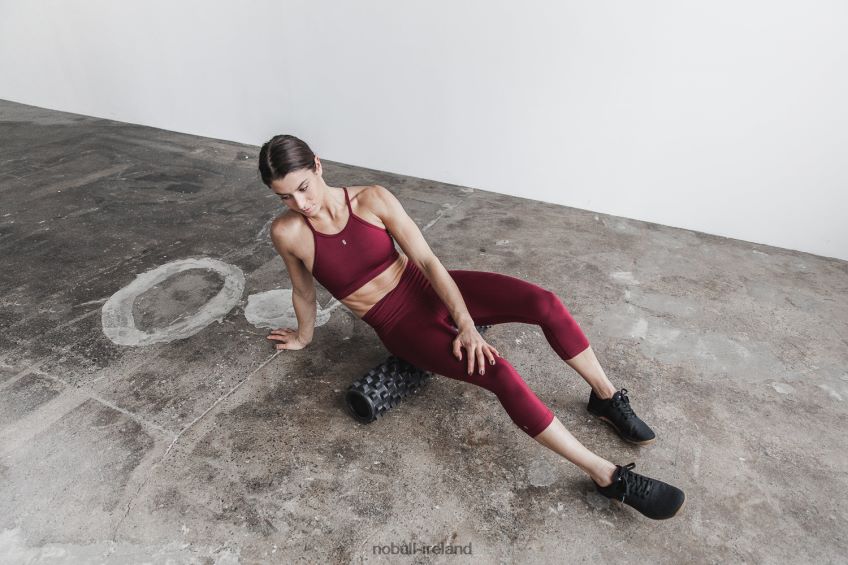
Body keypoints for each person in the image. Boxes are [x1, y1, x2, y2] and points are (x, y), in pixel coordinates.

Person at [257, 134, 686, 520]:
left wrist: (467, 324)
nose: (301, 203)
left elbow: (428, 262)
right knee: (500, 373)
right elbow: (304, 292)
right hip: (399, 324)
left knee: (544, 303)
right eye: (285, 197)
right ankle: (607, 476)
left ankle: (606, 398)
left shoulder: (372, 199)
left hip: (427, 287)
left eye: (303, 187)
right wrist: (304, 336)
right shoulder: (288, 232)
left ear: (318, 165)